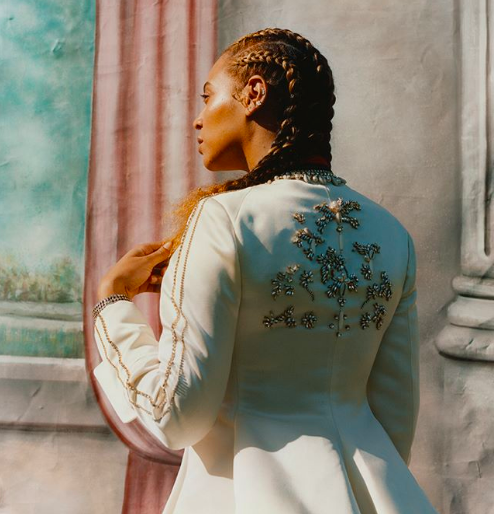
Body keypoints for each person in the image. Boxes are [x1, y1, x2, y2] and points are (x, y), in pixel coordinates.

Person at [92, 27, 440, 514]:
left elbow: (176, 414)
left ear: (253, 93)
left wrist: (112, 302)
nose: (197, 119)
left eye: (208, 97)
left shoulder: (224, 219)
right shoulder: (391, 233)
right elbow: (395, 418)